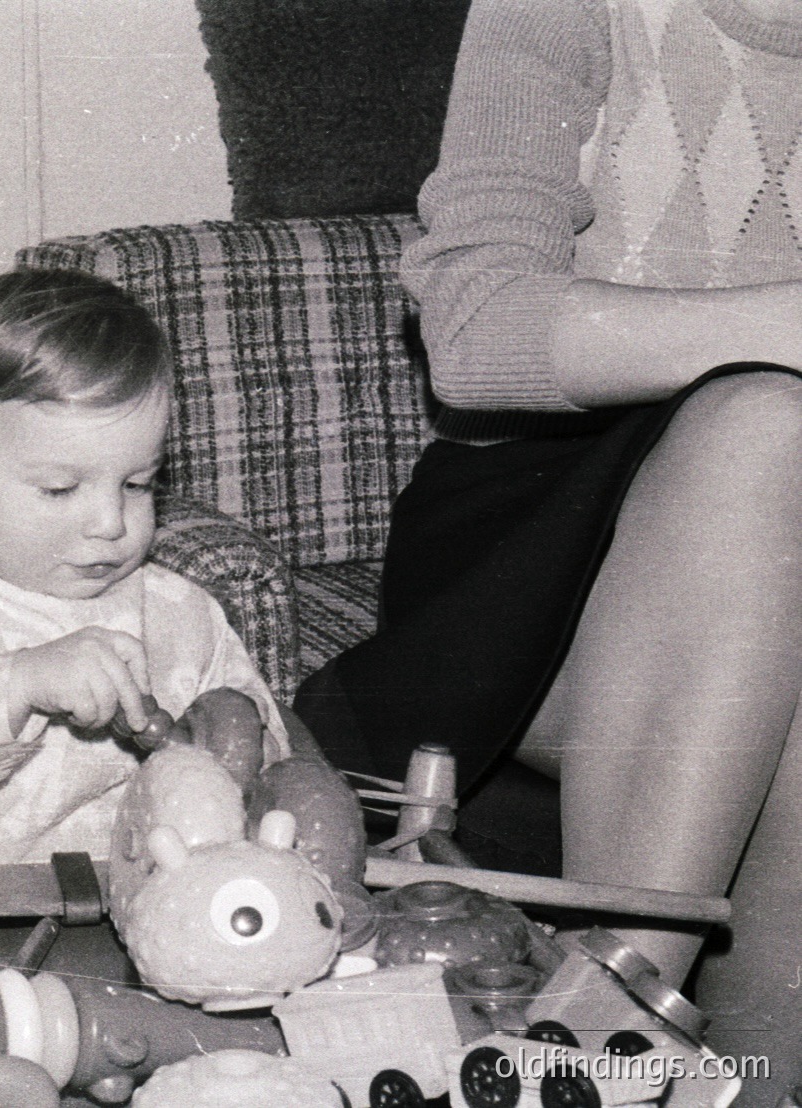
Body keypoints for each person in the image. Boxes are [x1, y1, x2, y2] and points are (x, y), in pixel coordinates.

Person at [294, 0, 802, 1095]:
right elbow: (472, 333)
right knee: (769, 428)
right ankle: (605, 1032)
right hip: (533, 565)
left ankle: (683, 1074)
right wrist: (783, 325)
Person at [0, 269, 290, 864]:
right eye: (61, 488)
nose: (111, 522)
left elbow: (266, 746)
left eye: (138, 483)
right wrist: (17, 684)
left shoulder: (180, 609)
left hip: (160, 890)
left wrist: (236, 749)